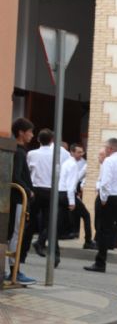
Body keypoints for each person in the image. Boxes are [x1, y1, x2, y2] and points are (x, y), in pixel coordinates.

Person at [84, 138, 117, 273]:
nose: (105, 149)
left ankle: (100, 263)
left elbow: (105, 182)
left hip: (112, 198)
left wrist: (103, 198)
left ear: (111, 149)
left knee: (104, 230)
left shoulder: (109, 160)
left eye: (106, 147)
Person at [6, 118, 37, 285]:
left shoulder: (20, 151)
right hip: (18, 199)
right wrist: (28, 191)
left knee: (16, 234)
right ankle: (14, 271)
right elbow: (16, 176)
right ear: (21, 132)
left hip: (19, 199)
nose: (32, 135)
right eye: (30, 131)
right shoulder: (18, 152)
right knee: (16, 235)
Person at [27, 128, 61, 267]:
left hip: (35, 190)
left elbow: (28, 171)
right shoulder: (56, 154)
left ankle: (22, 254)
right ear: (52, 140)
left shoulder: (31, 154)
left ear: (38, 140)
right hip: (51, 190)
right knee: (51, 223)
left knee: (29, 222)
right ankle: (55, 256)